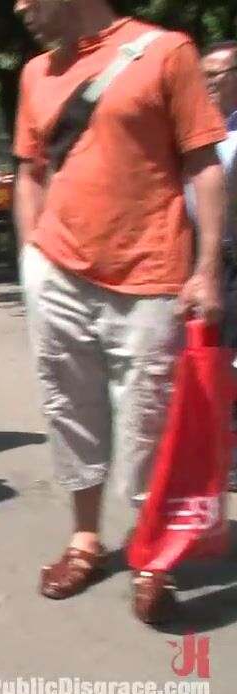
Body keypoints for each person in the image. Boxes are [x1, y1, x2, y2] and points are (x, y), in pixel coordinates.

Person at [11, 0, 228, 623]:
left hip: (150, 274)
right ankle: (84, 538)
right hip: (57, 270)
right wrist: (30, 258)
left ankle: (154, 555)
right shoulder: (36, 73)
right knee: (68, 409)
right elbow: (30, 172)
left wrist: (207, 268)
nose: (20, 7)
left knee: (149, 423)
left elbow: (204, 164)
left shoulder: (166, 52)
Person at [193, 40, 237, 493]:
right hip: (199, 258)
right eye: (202, 75)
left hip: (232, 257)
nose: (207, 83)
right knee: (206, 353)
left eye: (217, 73)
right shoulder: (196, 132)